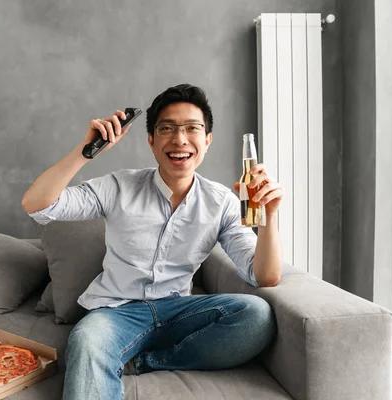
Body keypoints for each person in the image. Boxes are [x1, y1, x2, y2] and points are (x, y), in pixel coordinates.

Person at [21, 84, 283, 400]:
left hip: (178, 311)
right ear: (151, 140)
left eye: (192, 129)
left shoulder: (222, 202)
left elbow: (263, 275)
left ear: (207, 140)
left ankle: (147, 362)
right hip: (116, 312)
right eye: (167, 129)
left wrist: (269, 216)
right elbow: (36, 205)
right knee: (87, 342)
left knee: (256, 315)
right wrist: (85, 150)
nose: (180, 139)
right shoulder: (118, 186)